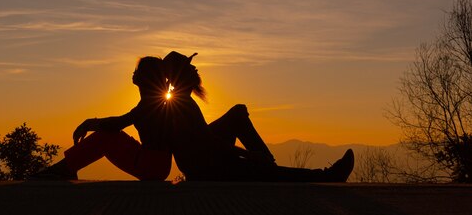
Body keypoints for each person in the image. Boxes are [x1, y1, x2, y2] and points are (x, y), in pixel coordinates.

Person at [163, 51, 354, 182]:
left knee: (238, 113)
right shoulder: (181, 104)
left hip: (202, 161)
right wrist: (249, 155)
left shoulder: (181, 101)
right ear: (181, 75)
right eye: (189, 67)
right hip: (206, 168)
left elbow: (204, 137)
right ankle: (325, 176)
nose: (195, 69)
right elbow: (209, 142)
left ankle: (267, 166)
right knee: (265, 171)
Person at [32, 56, 172, 181]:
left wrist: (88, 124)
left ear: (146, 76)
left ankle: (64, 169)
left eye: (137, 70)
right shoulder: (153, 101)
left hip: (152, 166)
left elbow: (117, 124)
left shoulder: (152, 103)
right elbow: (120, 121)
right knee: (110, 135)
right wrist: (90, 123)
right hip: (155, 164)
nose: (134, 73)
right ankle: (67, 167)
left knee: (105, 137)